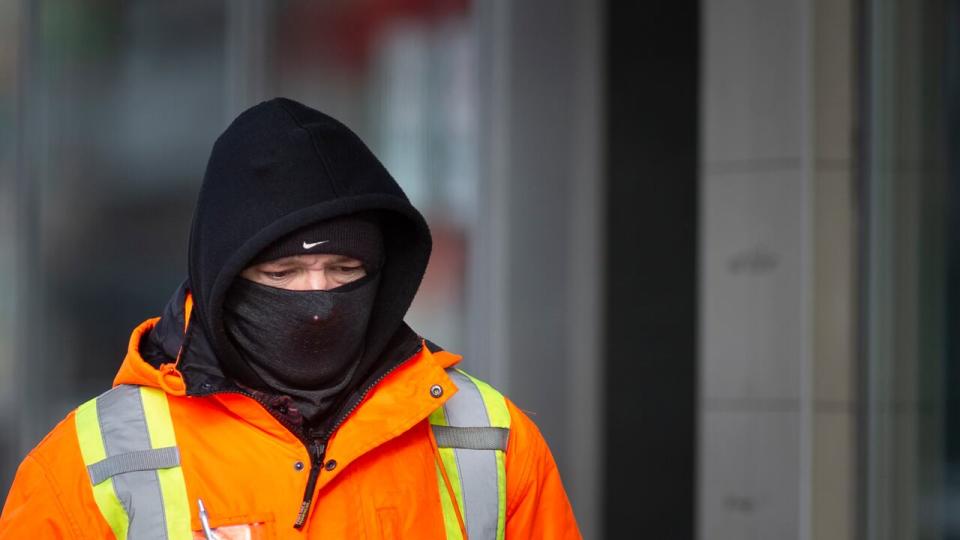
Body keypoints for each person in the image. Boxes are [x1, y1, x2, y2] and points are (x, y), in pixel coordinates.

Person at [0, 98, 579, 539]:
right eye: (282, 276)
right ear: (224, 281)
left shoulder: (491, 444)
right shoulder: (90, 467)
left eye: (344, 267)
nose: (319, 298)